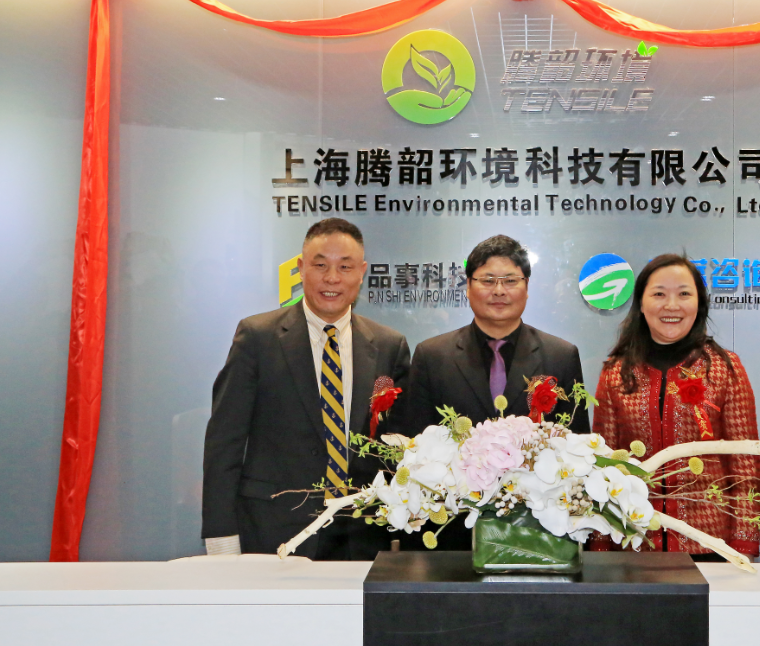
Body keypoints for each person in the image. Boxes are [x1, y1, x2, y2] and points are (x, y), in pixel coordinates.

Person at [201, 218, 411, 560]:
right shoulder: (257, 338)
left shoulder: (390, 346)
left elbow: (398, 446)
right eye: (320, 265)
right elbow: (224, 442)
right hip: (272, 529)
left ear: (362, 273)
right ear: (300, 268)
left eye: (345, 267)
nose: (332, 278)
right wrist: (221, 534)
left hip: (360, 534)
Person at [397, 235, 587, 550]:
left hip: (538, 531)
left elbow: (576, 447)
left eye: (510, 280)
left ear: (527, 287)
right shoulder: (432, 356)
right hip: (452, 531)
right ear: (468, 287)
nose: (499, 290)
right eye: (487, 280)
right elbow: (415, 447)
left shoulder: (561, 356)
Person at [591, 254, 760, 561]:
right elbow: (603, 467)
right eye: (659, 294)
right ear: (641, 304)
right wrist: (600, 547)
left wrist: (744, 545)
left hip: (710, 544)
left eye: (684, 294)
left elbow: (745, 466)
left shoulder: (724, 368)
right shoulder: (616, 372)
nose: (672, 305)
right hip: (634, 542)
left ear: (699, 303)